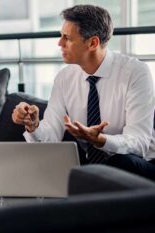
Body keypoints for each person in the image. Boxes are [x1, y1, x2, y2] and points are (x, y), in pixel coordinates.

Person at [12, 4, 155, 180]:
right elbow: (50, 139)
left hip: (141, 165)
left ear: (93, 42)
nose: (59, 43)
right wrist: (33, 126)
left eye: (67, 38)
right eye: (60, 36)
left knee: (121, 163)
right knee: (62, 161)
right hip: (92, 168)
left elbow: (139, 142)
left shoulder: (135, 72)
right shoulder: (64, 78)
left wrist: (101, 140)